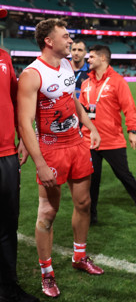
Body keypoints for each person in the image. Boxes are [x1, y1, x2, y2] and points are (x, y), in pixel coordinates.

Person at [17, 19, 104, 299]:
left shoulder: (67, 65)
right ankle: (47, 273)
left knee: (84, 202)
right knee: (47, 213)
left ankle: (79, 257)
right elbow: (25, 122)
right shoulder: (32, 75)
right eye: (65, 37)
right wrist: (40, 163)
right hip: (51, 150)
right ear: (48, 41)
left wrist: (89, 125)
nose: (71, 41)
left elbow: (72, 98)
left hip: (76, 145)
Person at [79, 45, 136, 224]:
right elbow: (81, 110)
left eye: (92, 57)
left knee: (124, 176)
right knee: (93, 180)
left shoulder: (117, 81)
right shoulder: (85, 83)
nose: (88, 60)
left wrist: (132, 131)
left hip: (112, 140)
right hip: (89, 140)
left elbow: (129, 108)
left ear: (103, 58)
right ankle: (93, 214)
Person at [0, 47, 39, 302]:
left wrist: (25, 135)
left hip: (6, 155)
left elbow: (16, 100)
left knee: (7, 224)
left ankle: (8, 290)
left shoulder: (4, 57)